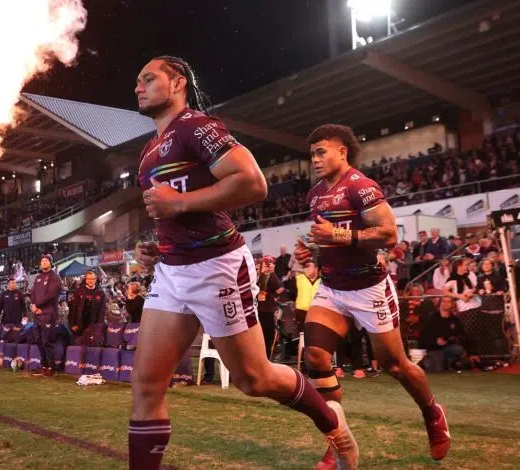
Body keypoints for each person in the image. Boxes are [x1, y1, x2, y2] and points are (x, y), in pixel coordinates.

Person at [133, 56, 357, 470]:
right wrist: (155, 246)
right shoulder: (148, 153)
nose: (138, 87)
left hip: (216, 264)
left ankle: (334, 425)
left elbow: (253, 184)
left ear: (178, 81)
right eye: (137, 81)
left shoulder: (195, 126)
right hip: (171, 271)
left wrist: (178, 202)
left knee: (254, 379)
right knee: (146, 387)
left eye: (149, 78)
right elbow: (175, 212)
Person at [294, 124, 449, 469]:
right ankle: (337, 440)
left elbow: (389, 236)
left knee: (396, 365)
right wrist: (312, 254)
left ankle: (432, 413)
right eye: (312, 154)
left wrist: (334, 233)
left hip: (369, 289)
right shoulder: (315, 193)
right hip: (333, 288)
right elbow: (329, 243)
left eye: (321, 152)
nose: (315, 159)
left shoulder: (361, 187)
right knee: (316, 356)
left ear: (342, 152)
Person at [419, 296, 479, 371]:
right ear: (440, 303)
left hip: (449, 348)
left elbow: (464, 336)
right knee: (438, 370)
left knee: (458, 349)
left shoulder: (455, 320)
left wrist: (472, 353)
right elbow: (423, 336)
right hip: (435, 349)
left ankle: (451, 363)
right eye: (443, 301)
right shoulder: (432, 318)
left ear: (452, 304)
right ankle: (426, 361)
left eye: (448, 301)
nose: (446, 304)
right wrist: (435, 341)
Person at [29, 254, 61, 377]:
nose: (44, 262)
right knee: (38, 340)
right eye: (42, 261)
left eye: (46, 261)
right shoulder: (37, 277)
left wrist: (38, 306)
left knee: (47, 341)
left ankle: (51, 367)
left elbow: (51, 295)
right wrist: (33, 305)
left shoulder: (55, 277)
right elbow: (32, 293)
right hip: (37, 314)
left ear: (50, 263)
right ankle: (44, 365)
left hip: (48, 313)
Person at [256, 256, 285, 359]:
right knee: (259, 335)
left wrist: (272, 272)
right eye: (265, 265)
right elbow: (254, 285)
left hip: (268, 309)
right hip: (257, 310)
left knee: (269, 335)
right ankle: (260, 357)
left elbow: (278, 288)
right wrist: (261, 272)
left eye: (269, 264)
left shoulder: (271, 276)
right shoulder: (257, 275)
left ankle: (267, 357)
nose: (267, 267)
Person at [68, 271, 107, 345]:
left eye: (92, 278)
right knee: (79, 345)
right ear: (85, 280)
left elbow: (102, 310)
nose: (90, 280)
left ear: (95, 280)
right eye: (88, 278)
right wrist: (72, 324)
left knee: (92, 346)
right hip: (80, 325)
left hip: (94, 324)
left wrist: (99, 326)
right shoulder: (79, 291)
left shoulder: (101, 293)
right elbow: (73, 309)